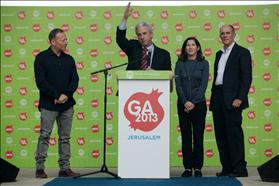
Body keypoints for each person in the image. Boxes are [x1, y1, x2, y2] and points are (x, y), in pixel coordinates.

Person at [34, 28, 80, 178]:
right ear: (53, 42)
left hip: (67, 105)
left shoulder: (69, 59)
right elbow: (41, 82)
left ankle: (64, 168)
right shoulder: (41, 58)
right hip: (48, 104)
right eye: (63, 40)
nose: (66, 42)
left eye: (66, 39)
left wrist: (66, 95)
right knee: (45, 135)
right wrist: (56, 95)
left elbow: (75, 80)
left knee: (65, 137)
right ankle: (40, 168)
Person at [209, 24, 252, 177]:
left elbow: (246, 78)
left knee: (234, 135)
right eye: (222, 33)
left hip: (233, 99)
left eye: (228, 33)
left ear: (234, 34)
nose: (225, 36)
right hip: (218, 97)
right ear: (219, 36)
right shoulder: (218, 54)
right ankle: (227, 167)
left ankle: (240, 168)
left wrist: (240, 98)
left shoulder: (243, 52)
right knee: (221, 135)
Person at [175, 37, 209, 177]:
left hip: (199, 104)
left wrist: (193, 102)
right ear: (185, 48)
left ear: (198, 47)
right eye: (187, 45)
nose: (190, 47)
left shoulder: (204, 63)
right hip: (183, 105)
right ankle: (188, 167)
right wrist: (185, 101)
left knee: (198, 136)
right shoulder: (179, 63)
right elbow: (178, 85)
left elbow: (203, 85)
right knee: (186, 136)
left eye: (193, 45)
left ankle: (198, 167)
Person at [116, 2, 171, 71]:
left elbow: (169, 76)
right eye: (139, 34)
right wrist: (125, 18)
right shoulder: (133, 47)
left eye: (144, 33)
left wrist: (156, 74)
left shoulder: (164, 55)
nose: (142, 37)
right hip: (133, 81)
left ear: (151, 34)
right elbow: (120, 39)